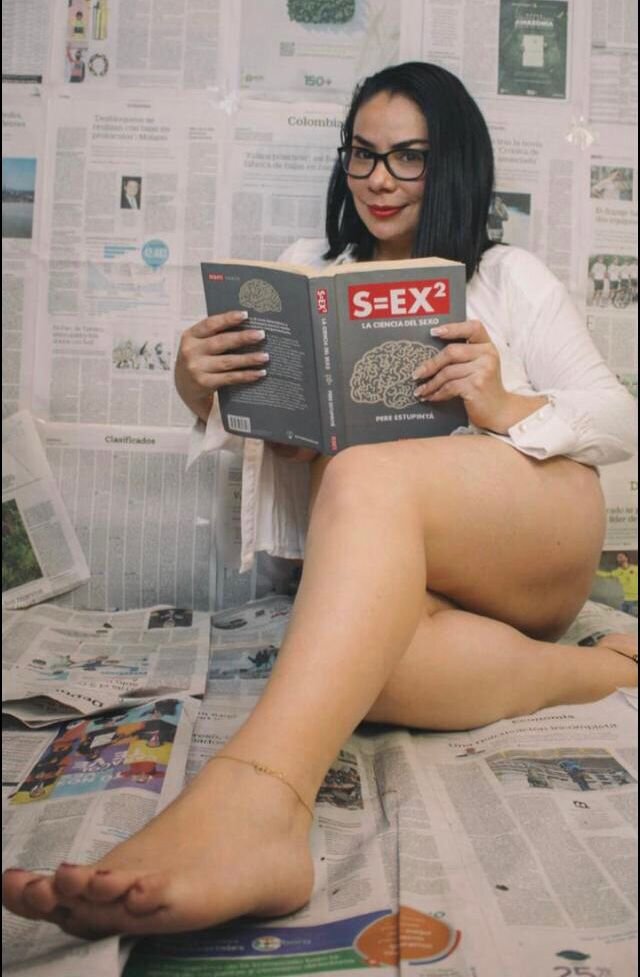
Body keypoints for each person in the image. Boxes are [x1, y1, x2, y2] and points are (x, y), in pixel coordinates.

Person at [3, 61, 637, 939]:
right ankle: (604, 670)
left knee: (365, 474)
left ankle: (262, 797)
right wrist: (202, 388)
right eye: (363, 154)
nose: (379, 179)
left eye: (408, 157)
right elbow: (273, 436)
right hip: (411, 574)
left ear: (451, 162)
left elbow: (617, 416)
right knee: (357, 671)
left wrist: (502, 404)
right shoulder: (309, 270)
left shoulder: (507, 275)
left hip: (538, 533)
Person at [597, 552, 639, 617]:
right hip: (627, 600)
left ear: (626, 558)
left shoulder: (635, 568)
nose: (619, 558)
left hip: (636, 600)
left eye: (621, 556)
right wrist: (594, 571)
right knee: (624, 617)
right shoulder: (618, 571)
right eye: (618, 557)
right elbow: (607, 575)